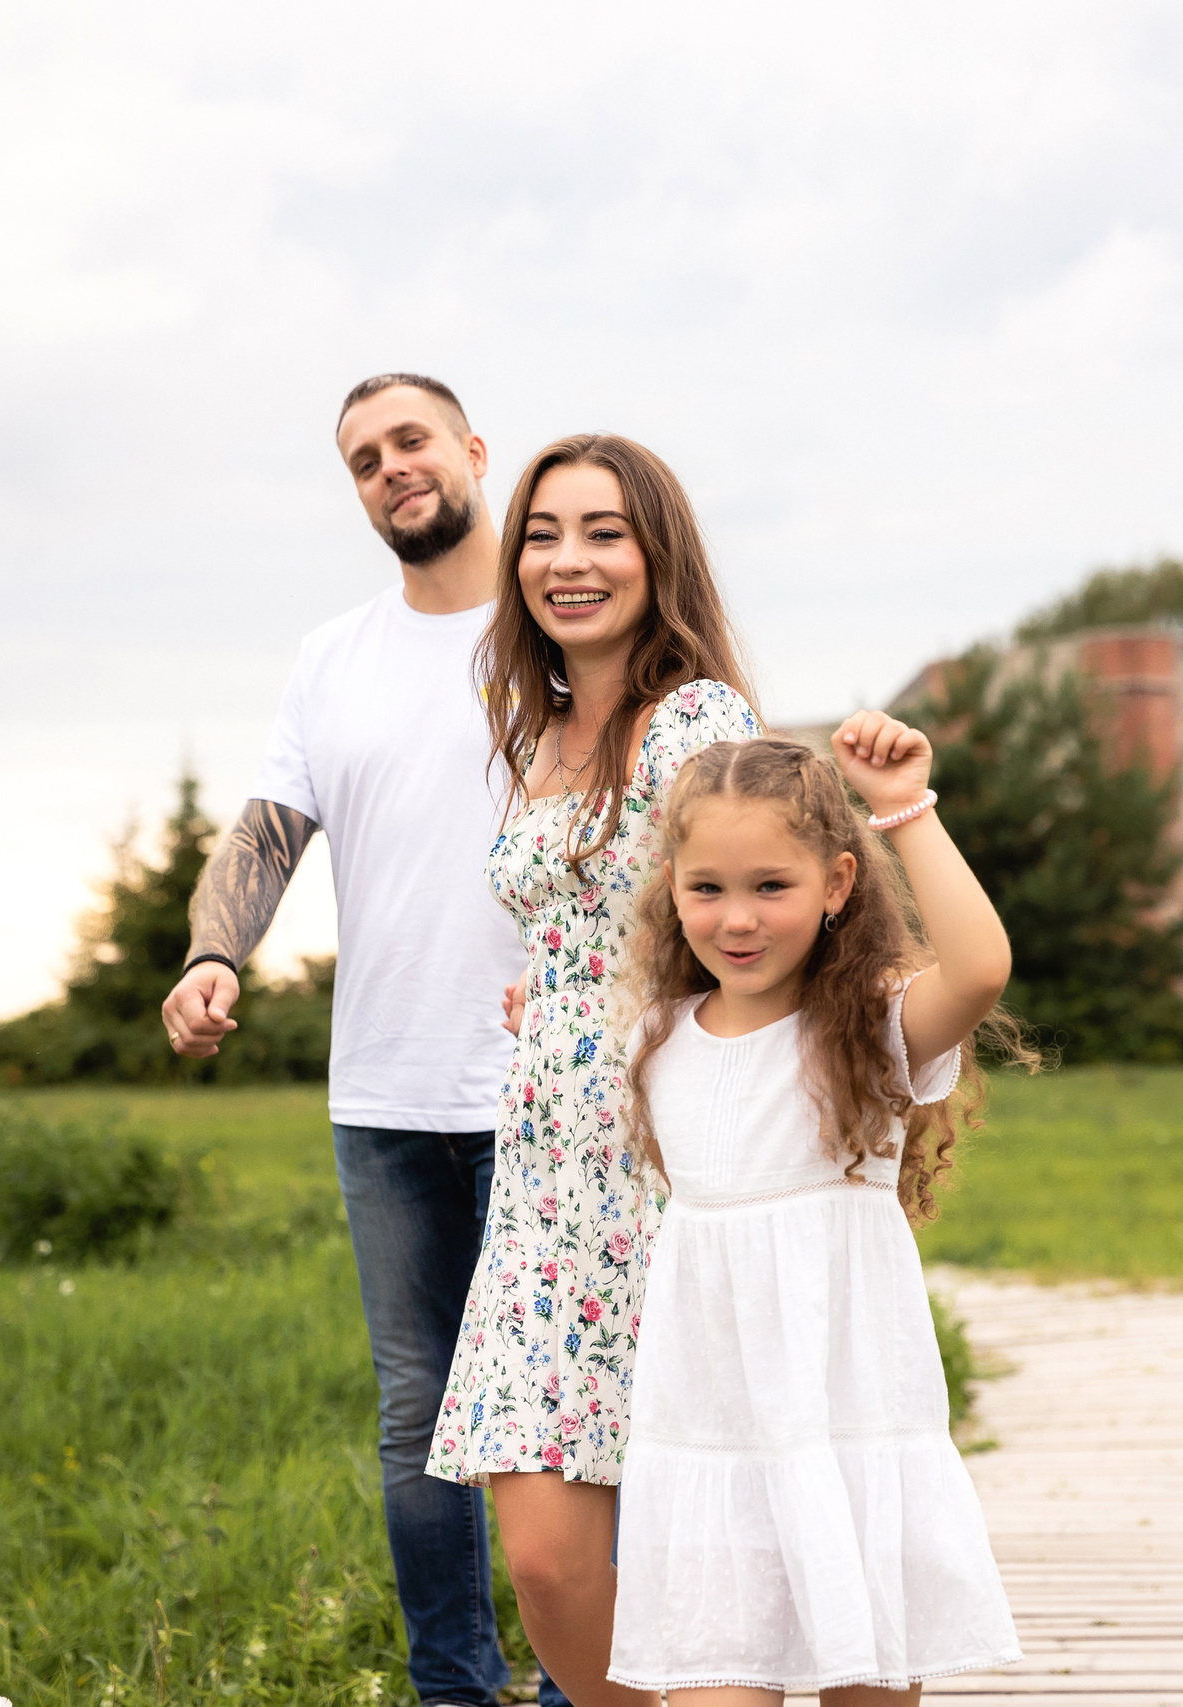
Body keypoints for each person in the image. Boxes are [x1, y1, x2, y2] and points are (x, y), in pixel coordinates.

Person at [160, 373, 565, 1707]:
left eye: (410, 441)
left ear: (472, 452)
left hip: (551, 1090)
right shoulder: (331, 654)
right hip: (384, 1094)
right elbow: (271, 827)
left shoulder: (562, 627)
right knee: (419, 1414)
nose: (390, 468)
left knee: (564, 1411)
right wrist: (216, 951)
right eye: (362, 459)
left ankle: (586, 1682)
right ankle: (453, 1680)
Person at [425, 433, 762, 1706]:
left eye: (604, 532)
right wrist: (559, 993)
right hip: (544, 1185)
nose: (568, 561)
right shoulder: (542, 731)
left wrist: (638, 1006)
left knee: (704, 1546)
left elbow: (746, 917)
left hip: (669, 1171)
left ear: (655, 554)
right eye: (543, 534)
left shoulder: (696, 721)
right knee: (549, 1562)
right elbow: (591, 918)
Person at [603, 724, 1035, 1704]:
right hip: (715, 1434)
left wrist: (907, 809)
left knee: (868, 1689)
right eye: (706, 887)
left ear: (838, 884)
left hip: (849, 1422)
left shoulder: (868, 1029)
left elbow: (976, 971)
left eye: (772, 886)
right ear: (672, 886)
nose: (736, 918)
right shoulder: (658, 1039)